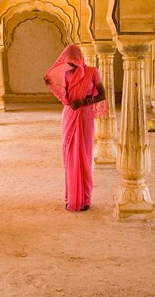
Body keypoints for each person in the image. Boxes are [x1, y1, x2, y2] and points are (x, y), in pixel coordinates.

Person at [44, 44, 106, 212]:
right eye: (68, 61)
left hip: (85, 115)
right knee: (71, 155)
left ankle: (85, 199)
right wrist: (51, 85)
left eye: (72, 61)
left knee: (84, 156)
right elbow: (65, 98)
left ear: (79, 58)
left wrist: (84, 102)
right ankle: (71, 198)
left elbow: (102, 95)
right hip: (70, 116)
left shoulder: (93, 72)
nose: (70, 65)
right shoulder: (66, 75)